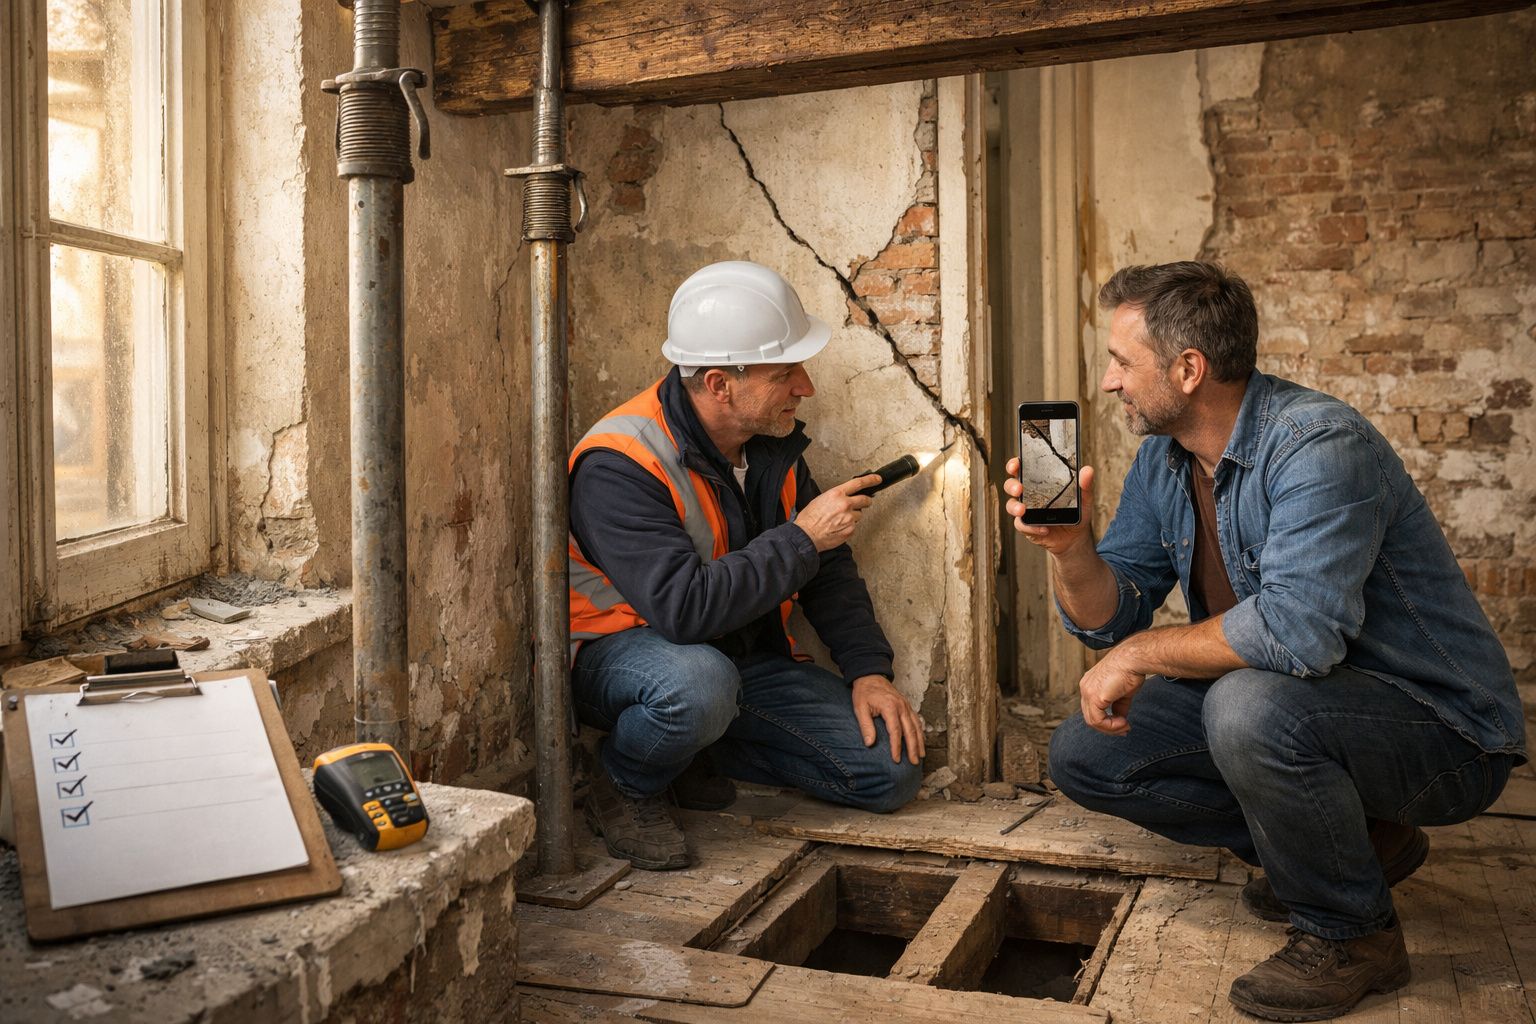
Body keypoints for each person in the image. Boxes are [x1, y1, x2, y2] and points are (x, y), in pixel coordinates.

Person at [1003, 261, 1525, 1021]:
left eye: (1121, 362)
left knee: (1247, 706)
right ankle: (1356, 847)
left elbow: (1298, 632)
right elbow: (1112, 616)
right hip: (1308, 709)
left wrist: (1140, 655)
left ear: (1188, 370)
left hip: (1444, 730)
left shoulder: (1320, 444)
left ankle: (1354, 935)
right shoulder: (1164, 460)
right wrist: (1071, 550)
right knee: (1087, 753)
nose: (1109, 382)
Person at [569, 260, 924, 871]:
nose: (805, 387)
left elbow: (828, 569)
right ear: (719, 384)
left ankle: (686, 752)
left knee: (888, 771)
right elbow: (683, 610)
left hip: (737, 660)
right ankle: (625, 781)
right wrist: (802, 538)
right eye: (784, 373)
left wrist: (869, 671)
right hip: (630, 658)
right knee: (697, 686)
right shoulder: (619, 465)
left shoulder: (769, 447)